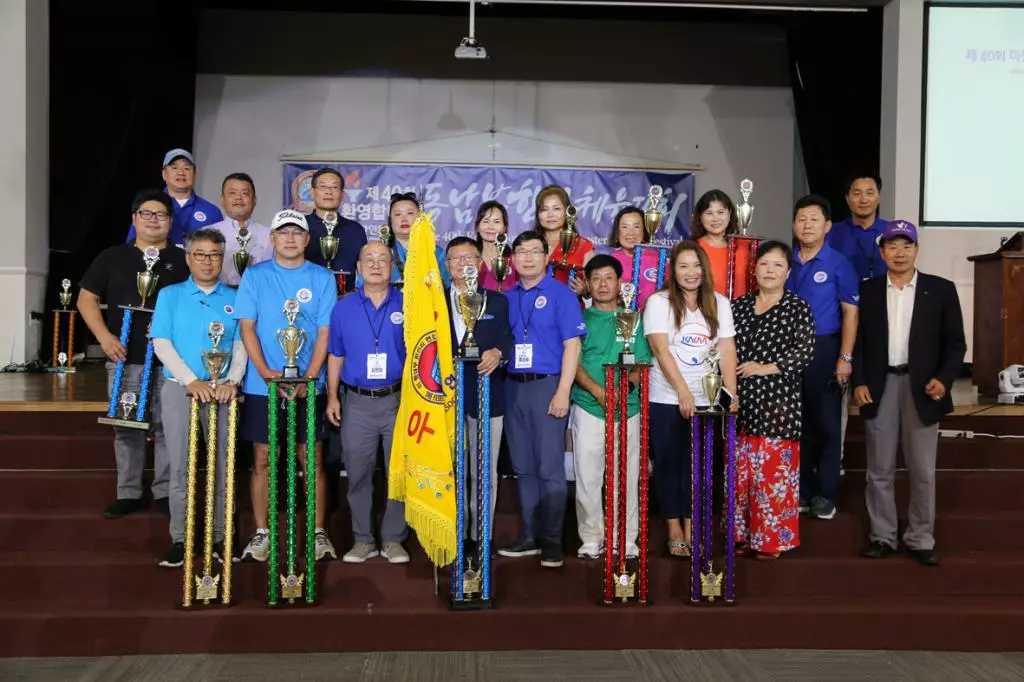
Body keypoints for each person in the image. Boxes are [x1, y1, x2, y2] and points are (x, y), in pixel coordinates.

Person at [853, 220, 965, 567]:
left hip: (923, 388)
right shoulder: (869, 290)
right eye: (892, 246)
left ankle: (920, 538)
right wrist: (858, 380)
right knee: (880, 469)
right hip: (880, 385)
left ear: (917, 249)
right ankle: (882, 536)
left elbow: (955, 343)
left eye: (906, 245)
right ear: (882, 251)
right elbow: (857, 343)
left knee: (922, 469)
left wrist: (944, 379)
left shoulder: (941, 289)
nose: (899, 253)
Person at [78, 189, 189, 518]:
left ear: (171, 221)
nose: (154, 220)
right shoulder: (112, 257)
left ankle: (166, 492)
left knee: (170, 427)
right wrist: (104, 337)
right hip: (126, 358)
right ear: (134, 218)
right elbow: (86, 298)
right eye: (147, 214)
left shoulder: (184, 260)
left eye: (161, 215)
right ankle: (127, 491)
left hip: (173, 363)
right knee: (127, 427)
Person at [234, 209, 337, 562]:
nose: (290, 238)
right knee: (262, 459)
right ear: (273, 239)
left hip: (310, 384)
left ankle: (318, 532)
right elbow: (247, 327)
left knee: (313, 460)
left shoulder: (322, 278)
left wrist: (308, 377)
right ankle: (262, 533)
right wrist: (265, 372)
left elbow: (325, 332)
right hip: (263, 386)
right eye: (283, 232)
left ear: (308, 240)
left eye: (297, 232)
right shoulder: (255, 275)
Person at [150, 228, 248, 567]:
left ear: (223, 258)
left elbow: (241, 343)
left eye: (215, 255)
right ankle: (182, 538)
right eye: (201, 254)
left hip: (222, 393)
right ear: (188, 257)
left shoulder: (236, 296)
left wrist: (232, 381)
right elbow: (161, 342)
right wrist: (191, 380)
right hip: (181, 389)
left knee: (224, 467)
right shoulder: (170, 295)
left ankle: (223, 538)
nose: (208, 261)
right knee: (181, 467)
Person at [643, 241, 737, 558]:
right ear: (673, 270)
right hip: (666, 396)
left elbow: (726, 350)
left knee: (699, 466)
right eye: (684, 266)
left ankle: (693, 522)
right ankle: (673, 525)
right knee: (669, 463)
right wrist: (682, 390)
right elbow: (660, 349)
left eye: (696, 265)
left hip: (707, 399)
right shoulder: (658, 302)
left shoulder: (719, 303)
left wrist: (731, 393)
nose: (691, 272)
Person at [499, 230, 586, 568]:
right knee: (523, 467)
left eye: (535, 251)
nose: (528, 258)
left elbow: (572, 346)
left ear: (546, 257)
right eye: (521, 252)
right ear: (513, 258)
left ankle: (551, 540)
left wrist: (563, 390)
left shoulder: (561, 295)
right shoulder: (506, 297)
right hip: (513, 386)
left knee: (550, 467)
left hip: (547, 385)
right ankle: (530, 536)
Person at [325, 241, 410, 563]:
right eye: (368, 260)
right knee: (358, 474)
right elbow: (336, 354)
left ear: (393, 266)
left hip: (397, 401)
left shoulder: (408, 304)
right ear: (358, 267)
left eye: (383, 260)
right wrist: (333, 396)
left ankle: (392, 538)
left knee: (398, 474)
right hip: (357, 403)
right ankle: (362, 539)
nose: (376, 265)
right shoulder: (343, 307)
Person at [731, 240, 815, 560]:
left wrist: (766, 368)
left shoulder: (797, 307)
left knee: (772, 473)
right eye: (764, 263)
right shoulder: (738, 306)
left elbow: (805, 351)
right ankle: (741, 535)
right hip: (739, 401)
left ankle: (771, 540)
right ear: (755, 269)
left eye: (778, 265)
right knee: (740, 473)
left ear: (788, 272)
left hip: (778, 401)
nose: (770, 270)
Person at [570, 255, 651, 559]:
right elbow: (573, 361)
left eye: (609, 278)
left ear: (620, 284)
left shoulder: (634, 317)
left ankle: (625, 539)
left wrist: (623, 388)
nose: (603, 284)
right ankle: (591, 537)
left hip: (627, 408)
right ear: (588, 284)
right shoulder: (579, 317)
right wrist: (598, 391)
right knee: (588, 476)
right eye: (596, 279)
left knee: (626, 476)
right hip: (589, 406)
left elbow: (641, 361)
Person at [787, 194, 859, 521]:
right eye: (802, 218)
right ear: (793, 224)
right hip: (788, 352)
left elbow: (850, 312)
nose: (807, 225)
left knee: (827, 425)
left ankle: (826, 494)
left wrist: (845, 357)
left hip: (825, 348)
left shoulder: (838, 263)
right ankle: (801, 491)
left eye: (814, 219)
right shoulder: (785, 261)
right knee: (795, 424)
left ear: (827, 226)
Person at [444, 236, 514, 550]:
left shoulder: (497, 301)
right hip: (443, 400)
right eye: (455, 259)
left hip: (487, 394)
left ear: (480, 263)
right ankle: (452, 532)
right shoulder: (433, 303)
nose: (462, 263)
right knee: (450, 469)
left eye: (468, 257)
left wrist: (499, 352)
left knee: (484, 469)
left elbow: (509, 339)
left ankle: (480, 535)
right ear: (446, 266)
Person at [126, 149, 222, 245]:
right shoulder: (147, 208)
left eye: (187, 168)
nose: (181, 172)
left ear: (194, 174)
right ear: (164, 174)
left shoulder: (212, 211)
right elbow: (132, 246)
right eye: (174, 168)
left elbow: (220, 249)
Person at [303, 168, 368, 294]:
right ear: (312, 192)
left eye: (334, 187)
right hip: (306, 299)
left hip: (345, 302)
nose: (329, 192)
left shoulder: (355, 230)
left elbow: (363, 270)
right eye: (323, 187)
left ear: (342, 194)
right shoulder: (301, 227)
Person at [208, 173, 273, 286]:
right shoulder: (206, 234)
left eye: (245, 193)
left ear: (254, 200)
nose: (238, 198)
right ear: (222, 199)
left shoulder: (270, 235)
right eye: (232, 193)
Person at [374, 192, 450, 288]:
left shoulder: (435, 252)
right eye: (398, 214)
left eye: (410, 213)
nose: (404, 219)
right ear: (390, 220)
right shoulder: (380, 252)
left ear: (420, 218)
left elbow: (446, 287)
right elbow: (363, 287)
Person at [827, 170, 888, 282]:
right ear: (847, 198)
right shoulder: (830, 232)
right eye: (857, 193)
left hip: (882, 297)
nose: (863, 200)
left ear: (878, 197)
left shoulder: (891, 231)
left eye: (869, 193)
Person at [534, 185, 594, 296]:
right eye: (544, 209)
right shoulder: (530, 243)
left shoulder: (583, 246)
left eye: (556, 209)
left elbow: (594, 285)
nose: (550, 215)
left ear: (567, 212)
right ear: (538, 214)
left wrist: (585, 290)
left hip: (570, 309)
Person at [690, 189, 750, 298]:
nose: (715, 218)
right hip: (705, 311)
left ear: (730, 213)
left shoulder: (744, 246)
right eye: (709, 213)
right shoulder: (692, 248)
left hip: (740, 312)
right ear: (700, 217)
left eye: (720, 212)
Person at [609, 206, 665, 310]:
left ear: (645, 231)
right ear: (617, 232)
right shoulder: (610, 261)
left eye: (636, 226)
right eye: (624, 227)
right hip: (619, 318)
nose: (630, 233)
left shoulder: (659, 260)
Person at [473, 200, 518, 292]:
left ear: (505, 227)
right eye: (486, 221)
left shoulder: (515, 260)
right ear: (477, 226)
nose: (490, 227)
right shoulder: (470, 259)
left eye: (496, 222)